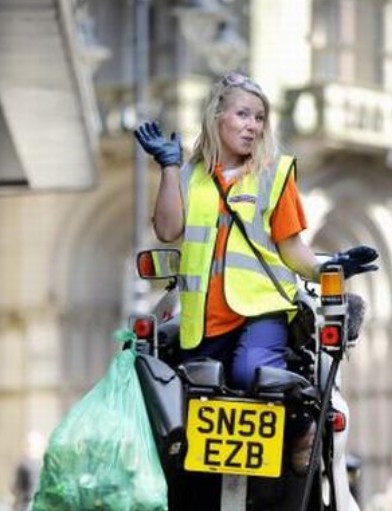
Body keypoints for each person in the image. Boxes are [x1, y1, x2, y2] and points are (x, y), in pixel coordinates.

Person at [134, 71, 377, 475]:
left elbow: (292, 250)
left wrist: (329, 267)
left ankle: (300, 430)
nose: (253, 126)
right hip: (203, 319)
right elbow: (168, 229)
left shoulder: (274, 174)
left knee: (254, 375)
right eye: (243, 114)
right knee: (192, 394)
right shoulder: (191, 175)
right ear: (217, 117)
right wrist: (169, 167)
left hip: (262, 309)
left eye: (260, 117)